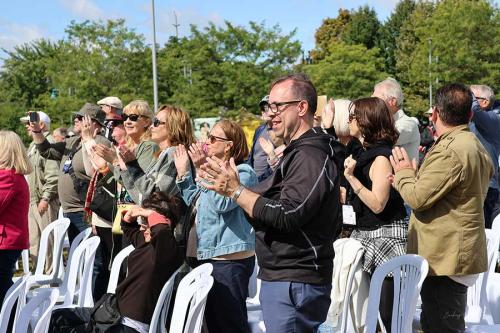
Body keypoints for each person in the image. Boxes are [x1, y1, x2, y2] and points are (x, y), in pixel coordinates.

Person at [198, 73, 341, 333]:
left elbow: (288, 213)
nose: (269, 114)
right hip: (284, 277)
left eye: (278, 106)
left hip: (296, 280)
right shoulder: (297, 152)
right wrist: (236, 192)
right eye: (268, 107)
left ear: (302, 107)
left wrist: (237, 191)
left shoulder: (310, 155)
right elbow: (265, 201)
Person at [391, 83, 493, 333]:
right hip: (452, 256)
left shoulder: (450, 150)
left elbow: (417, 197)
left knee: (441, 326)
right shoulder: (472, 144)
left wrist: (403, 174)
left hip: (446, 259)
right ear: (470, 115)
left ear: (435, 113)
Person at [49, 191, 183, 333]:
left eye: (146, 222)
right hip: (114, 313)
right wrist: (131, 215)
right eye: (142, 222)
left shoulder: (168, 251)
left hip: (130, 325)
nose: (142, 227)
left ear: (165, 222)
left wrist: (148, 213)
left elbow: (161, 230)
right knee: (57, 318)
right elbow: (127, 227)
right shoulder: (146, 242)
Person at [174, 120, 258, 333]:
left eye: (212, 138)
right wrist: (184, 175)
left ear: (228, 145)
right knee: (211, 323)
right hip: (211, 256)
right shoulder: (215, 171)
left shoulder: (243, 172)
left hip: (230, 260)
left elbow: (221, 204)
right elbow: (198, 202)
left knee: (229, 323)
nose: (206, 142)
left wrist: (204, 168)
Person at [343, 97, 408, 331]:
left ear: (364, 121)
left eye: (352, 117)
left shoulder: (380, 157)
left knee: (383, 318)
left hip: (384, 239)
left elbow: (378, 203)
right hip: (366, 235)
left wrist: (351, 179)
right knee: (363, 313)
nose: (348, 121)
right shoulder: (363, 152)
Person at [30, 103, 110, 243]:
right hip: (69, 210)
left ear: (95, 124)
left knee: (94, 260)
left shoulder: (101, 142)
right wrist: (37, 131)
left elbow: (99, 173)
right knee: (77, 256)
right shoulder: (72, 141)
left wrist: (88, 139)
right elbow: (46, 151)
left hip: (87, 212)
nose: (75, 120)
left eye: (80, 117)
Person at [114, 105, 195, 203]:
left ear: (172, 127)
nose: (151, 126)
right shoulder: (163, 154)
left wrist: (132, 165)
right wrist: (126, 169)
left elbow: (155, 197)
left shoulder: (173, 153)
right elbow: (139, 197)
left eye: (156, 122)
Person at [20, 112, 60, 273]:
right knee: (34, 241)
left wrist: (45, 198)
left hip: (44, 201)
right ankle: (39, 275)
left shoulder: (48, 143)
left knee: (48, 241)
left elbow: (53, 175)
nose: (26, 127)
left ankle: (50, 279)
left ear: (41, 125)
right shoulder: (33, 145)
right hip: (33, 200)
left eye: (29, 123)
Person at [0, 131, 31, 305]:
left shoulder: (7, 177)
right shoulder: (12, 176)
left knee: (3, 290)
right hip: (7, 240)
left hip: (4, 242)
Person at [470, 84, 500, 227]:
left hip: (488, 191)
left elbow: (475, 110)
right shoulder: (473, 120)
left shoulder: (494, 119)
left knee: (485, 237)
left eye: (473, 97)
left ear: (485, 102)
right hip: (473, 187)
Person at [372, 78, 420, 165]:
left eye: (376, 100)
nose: (371, 103)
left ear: (392, 101)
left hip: (403, 177)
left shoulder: (407, 123)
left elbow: (383, 139)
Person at [247, 95, 276, 181]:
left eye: (268, 108)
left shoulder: (280, 131)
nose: (264, 111)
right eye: (263, 108)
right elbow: (252, 155)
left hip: (269, 180)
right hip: (254, 179)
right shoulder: (259, 129)